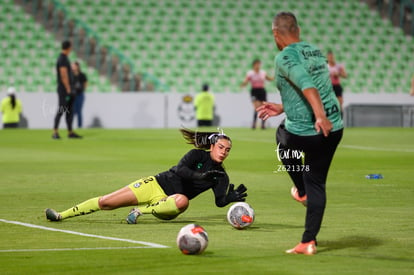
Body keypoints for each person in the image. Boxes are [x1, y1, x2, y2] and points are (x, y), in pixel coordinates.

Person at [257, 12, 343, 255]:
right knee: (316, 181)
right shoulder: (315, 51)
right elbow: (317, 89)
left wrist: (318, 116)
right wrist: (283, 107)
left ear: (276, 34)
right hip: (334, 128)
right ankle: (308, 241)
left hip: (312, 128)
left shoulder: (284, 57)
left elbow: (307, 84)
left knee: (283, 138)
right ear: (298, 30)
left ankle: (301, 191)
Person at [45, 128, 248, 223]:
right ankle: (61, 215)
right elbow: (180, 170)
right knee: (107, 202)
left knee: (183, 201)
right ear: (212, 145)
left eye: (228, 150)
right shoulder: (196, 155)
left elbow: (219, 201)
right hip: (156, 184)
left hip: (168, 204)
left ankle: (140, 211)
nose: (224, 151)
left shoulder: (221, 176)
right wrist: (200, 177)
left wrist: (228, 199)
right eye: (221, 147)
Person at [52, 40, 81, 139]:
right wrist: (68, 88)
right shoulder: (63, 59)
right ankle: (55, 132)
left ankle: (70, 132)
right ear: (68, 48)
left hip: (66, 88)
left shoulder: (64, 58)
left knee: (69, 110)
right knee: (61, 109)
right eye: (71, 47)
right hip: (64, 89)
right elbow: (63, 74)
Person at [240, 59, 274, 129]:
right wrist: (243, 84)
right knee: (257, 108)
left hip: (262, 91)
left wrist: (275, 77)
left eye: (259, 64)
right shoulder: (250, 73)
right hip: (254, 91)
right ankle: (254, 124)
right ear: (253, 65)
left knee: (264, 107)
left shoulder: (263, 73)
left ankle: (263, 124)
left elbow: (269, 79)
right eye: (257, 64)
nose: (258, 66)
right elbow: (246, 81)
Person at [72, 61, 88, 128]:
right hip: (72, 95)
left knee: (79, 111)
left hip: (80, 95)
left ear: (77, 66)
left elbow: (85, 83)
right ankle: (70, 126)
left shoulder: (82, 75)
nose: (73, 67)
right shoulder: (71, 75)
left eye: (74, 66)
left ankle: (80, 126)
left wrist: (82, 89)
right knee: (72, 111)